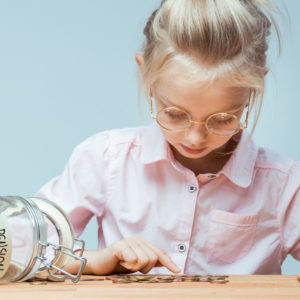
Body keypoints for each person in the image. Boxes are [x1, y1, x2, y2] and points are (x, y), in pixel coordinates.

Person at [36, 0, 300, 276]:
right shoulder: (107, 159)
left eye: (222, 119)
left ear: (252, 91)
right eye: (175, 114)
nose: (195, 137)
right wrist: (95, 261)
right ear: (146, 76)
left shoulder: (283, 186)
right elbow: (18, 248)